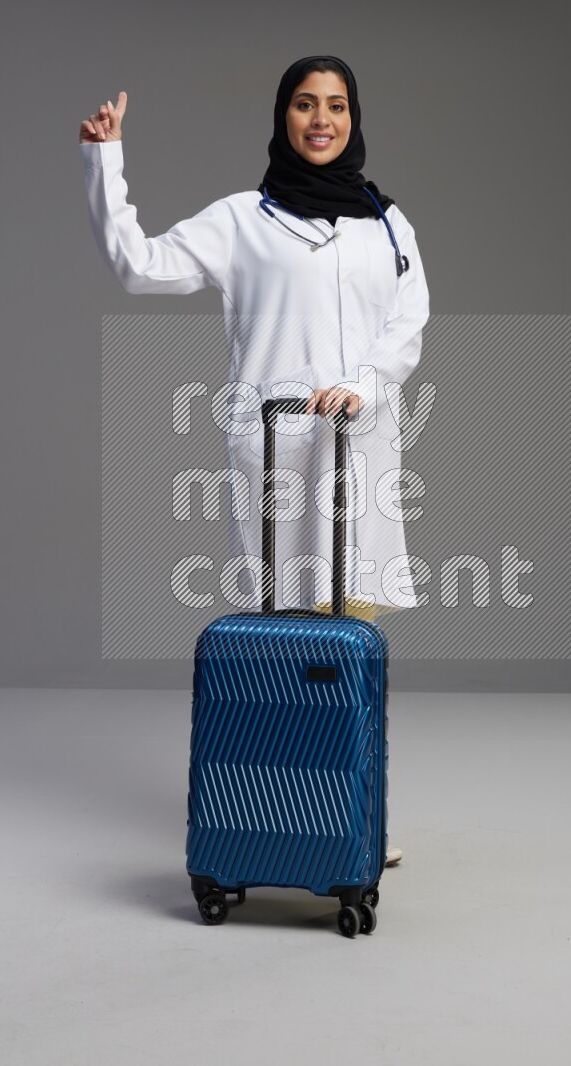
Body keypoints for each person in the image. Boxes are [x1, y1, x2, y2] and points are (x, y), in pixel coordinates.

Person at [79, 56, 431, 867]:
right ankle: (286, 814)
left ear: (353, 117)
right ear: (282, 117)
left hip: (359, 440)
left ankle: (354, 818)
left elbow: (410, 318)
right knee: (283, 630)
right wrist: (107, 160)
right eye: (305, 104)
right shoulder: (244, 218)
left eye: (336, 105)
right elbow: (140, 266)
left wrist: (366, 384)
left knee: (353, 624)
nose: (321, 119)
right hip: (275, 443)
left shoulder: (386, 222)